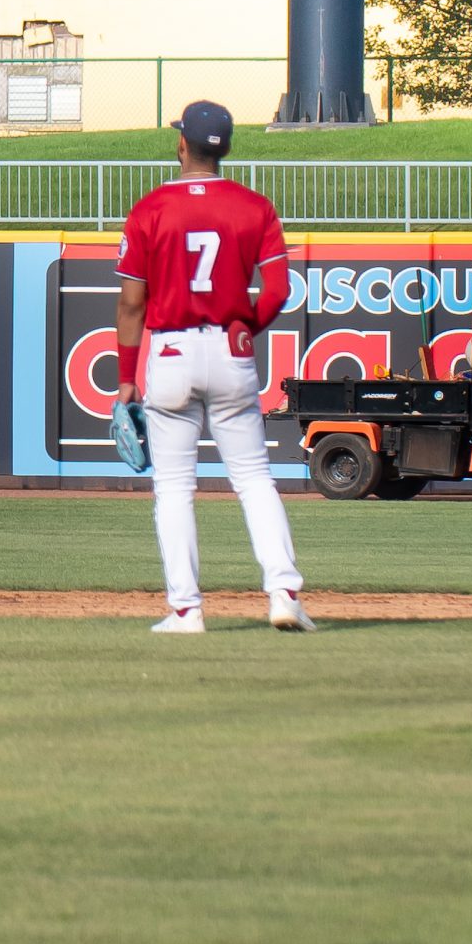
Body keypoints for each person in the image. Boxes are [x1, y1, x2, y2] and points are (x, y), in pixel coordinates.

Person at [112, 101, 313, 635]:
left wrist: (127, 376)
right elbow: (278, 289)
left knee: (174, 487)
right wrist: (248, 324)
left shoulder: (151, 208)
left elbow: (132, 303)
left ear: (182, 145)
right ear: (226, 148)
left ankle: (187, 610)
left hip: (172, 351)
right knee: (252, 478)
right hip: (230, 350)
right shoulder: (254, 207)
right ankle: (283, 592)